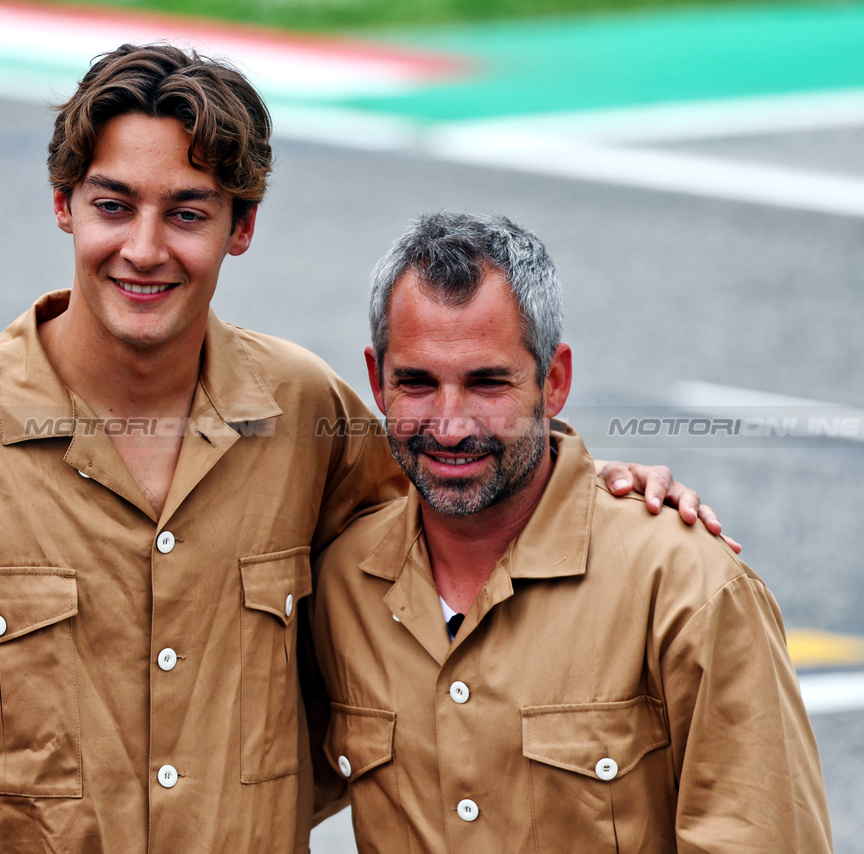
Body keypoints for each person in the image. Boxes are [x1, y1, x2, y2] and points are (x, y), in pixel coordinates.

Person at [0, 47, 723, 852]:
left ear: (240, 228)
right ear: (63, 204)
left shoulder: (307, 417)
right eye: (113, 204)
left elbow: (460, 524)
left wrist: (596, 488)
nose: (145, 248)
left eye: (188, 213)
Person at [312, 212, 831, 852]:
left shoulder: (685, 585)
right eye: (416, 383)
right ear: (375, 380)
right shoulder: (338, 585)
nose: (449, 426)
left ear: (553, 382)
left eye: (488, 383)